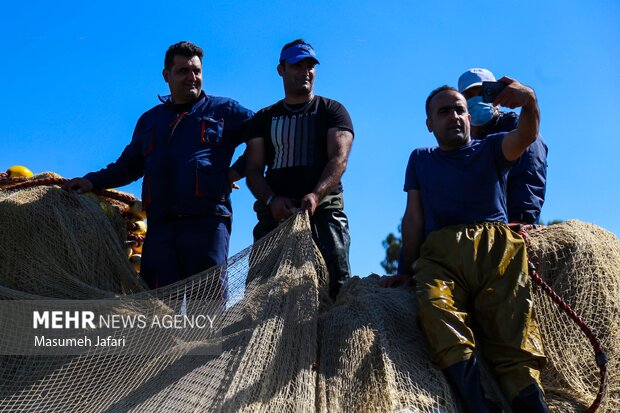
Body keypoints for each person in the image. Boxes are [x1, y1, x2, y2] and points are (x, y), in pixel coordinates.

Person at [383, 80, 548, 412]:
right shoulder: (420, 159)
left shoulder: (492, 148)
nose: (454, 116)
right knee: (437, 313)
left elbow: (526, 137)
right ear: (430, 123)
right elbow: (413, 219)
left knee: (515, 338)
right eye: (443, 112)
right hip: (440, 258)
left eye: (459, 109)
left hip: (496, 253)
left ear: (469, 118)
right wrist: (403, 270)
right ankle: (481, 404)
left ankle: (532, 405)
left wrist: (529, 103)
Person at [62, 41, 253, 295]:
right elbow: (127, 166)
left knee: (207, 307)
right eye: (183, 71)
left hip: (207, 225)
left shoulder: (224, 110)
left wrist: (236, 171)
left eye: (196, 71)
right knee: (159, 309)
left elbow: (265, 133)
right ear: (167, 76)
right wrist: (92, 181)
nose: (192, 77)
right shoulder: (150, 120)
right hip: (161, 230)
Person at [245, 39, 354, 299]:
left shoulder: (333, 111)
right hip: (275, 216)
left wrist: (316, 195)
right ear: (281, 69)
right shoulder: (263, 118)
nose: (305, 71)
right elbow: (253, 169)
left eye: (310, 65)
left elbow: (339, 160)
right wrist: (271, 200)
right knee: (260, 293)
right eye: (297, 65)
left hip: (324, 213)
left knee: (337, 288)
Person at [458, 68, 548, 224]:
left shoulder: (518, 128)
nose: (476, 99)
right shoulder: (466, 141)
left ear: (497, 96)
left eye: (482, 93)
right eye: (469, 96)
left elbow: (529, 176)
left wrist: (522, 220)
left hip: (510, 227)